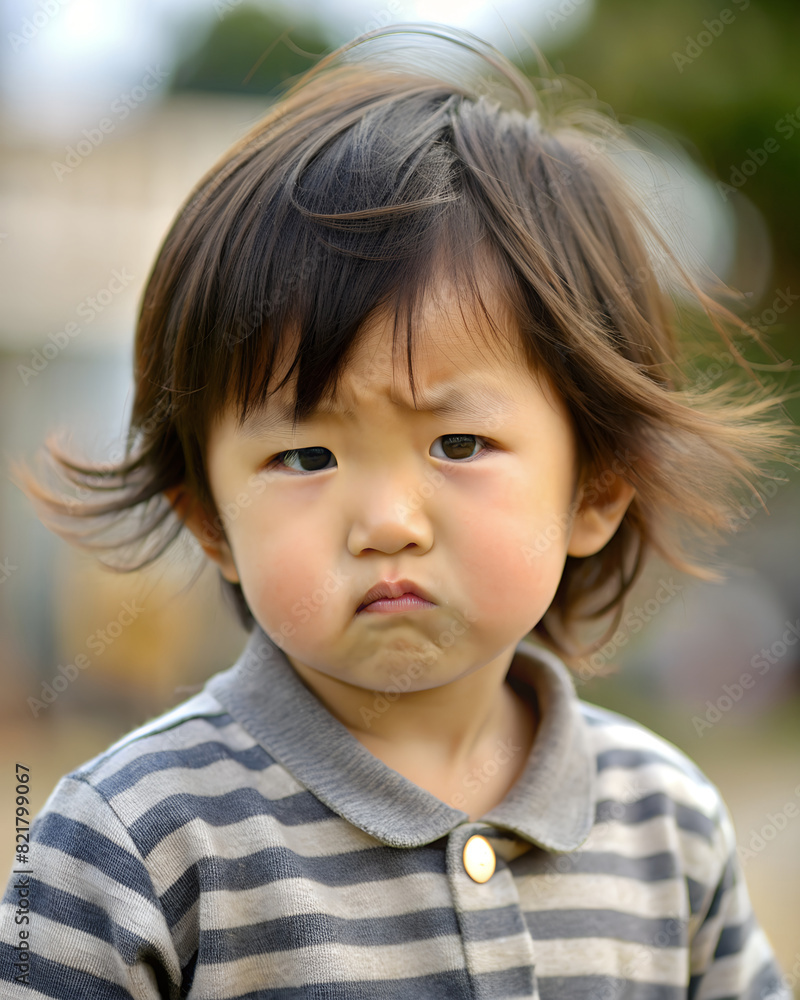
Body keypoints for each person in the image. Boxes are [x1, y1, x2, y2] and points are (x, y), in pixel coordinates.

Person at [1, 22, 796, 1000]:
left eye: (457, 445)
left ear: (593, 492)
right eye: (304, 456)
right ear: (209, 521)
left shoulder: (666, 824)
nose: (387, 522)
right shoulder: (130, 841)